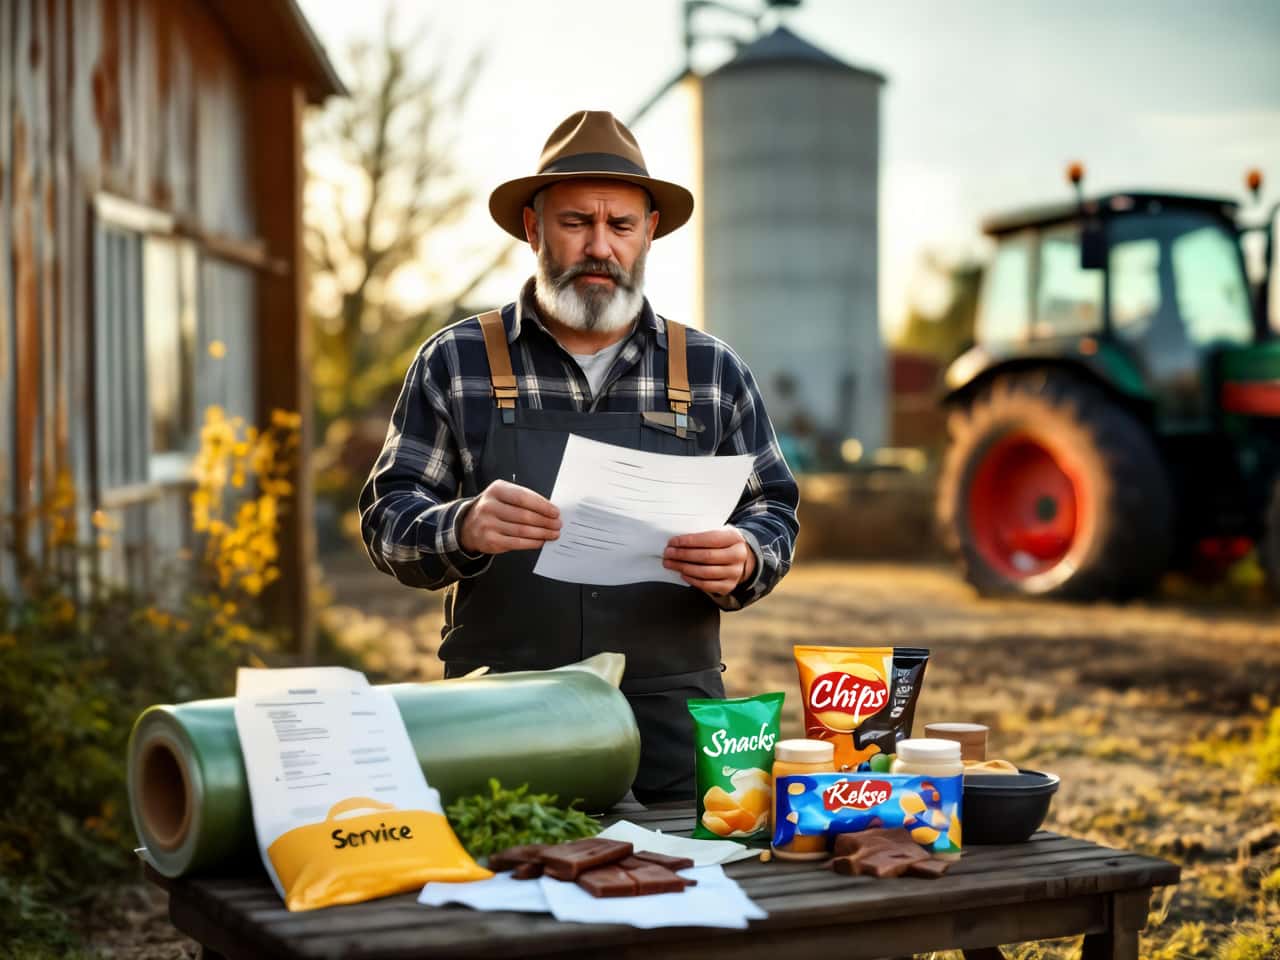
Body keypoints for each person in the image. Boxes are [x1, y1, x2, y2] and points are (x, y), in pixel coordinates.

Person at [359, 110, 799, 804]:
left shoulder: (712, 370)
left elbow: (774, 506)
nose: (600, 246)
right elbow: (388, 518)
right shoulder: (457, 360)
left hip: (671, 716)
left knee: (688, 895)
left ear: (649, 231)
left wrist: (746, 553)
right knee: (502, 895)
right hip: (500, 713)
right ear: (533, 228)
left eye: (620, 225)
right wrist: (462, 526)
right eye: (575, 224)